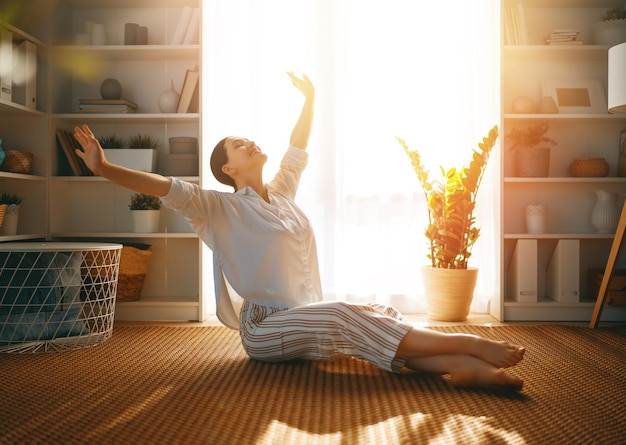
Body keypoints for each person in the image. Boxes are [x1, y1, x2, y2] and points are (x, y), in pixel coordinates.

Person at [74, 72, 525, 390]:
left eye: (247, 137)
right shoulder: (217, 207)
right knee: (343, 315)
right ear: (228, 168)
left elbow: (296, 147)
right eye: (238, 143)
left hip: (304, 315)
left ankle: (454, 366)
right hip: (265, 328)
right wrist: (106, 166)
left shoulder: (283, 194)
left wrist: (309, 101)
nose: (249, 141)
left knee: (373, 309)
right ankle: (467, 344)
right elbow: (163, 186)